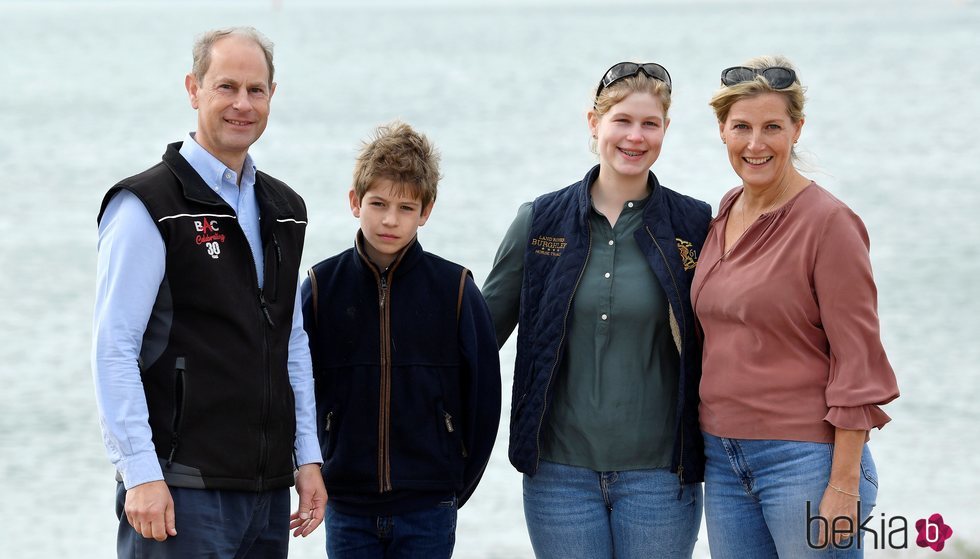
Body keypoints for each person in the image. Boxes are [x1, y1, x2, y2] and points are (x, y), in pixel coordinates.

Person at [92, 27, 326, 558]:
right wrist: (140, 475)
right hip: (178, 491)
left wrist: (306, 458)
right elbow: (114, 348)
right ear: (194, 89)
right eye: (226, 87)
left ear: (271, 95)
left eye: (256, 90)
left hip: (265, 496)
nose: (242, 104)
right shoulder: (147, 205)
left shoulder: (285, 209)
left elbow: (291, 346)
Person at [482, 62, 711, 558]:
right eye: (622, 121)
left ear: (666, 130)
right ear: (594, 123)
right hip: (558, 477)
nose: (635, 136)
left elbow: (735, 331)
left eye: (650, 124)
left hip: (660, 477)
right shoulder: (540, 220)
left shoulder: (695, 225)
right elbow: (476, 336)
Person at [690, 56, 901, 558]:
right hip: (721, 460)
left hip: (805, 462)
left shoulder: (829, 224)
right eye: (741, 127)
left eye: (772, 127)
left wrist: (844, 484)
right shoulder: (725, 209)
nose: (755, 144)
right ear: (722, 130)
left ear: (797, 129)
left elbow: (858, 359)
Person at [301, 121, 501, 558]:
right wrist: (312, 464)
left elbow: (485, 395)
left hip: (428, 504)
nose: (390, 220)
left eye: (406, 208)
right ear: (355, 202)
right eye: (378, 203)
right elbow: (293, 387)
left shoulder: (456, 290)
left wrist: (452, 481)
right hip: (348, 504)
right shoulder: (320, 288)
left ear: (426, 211)